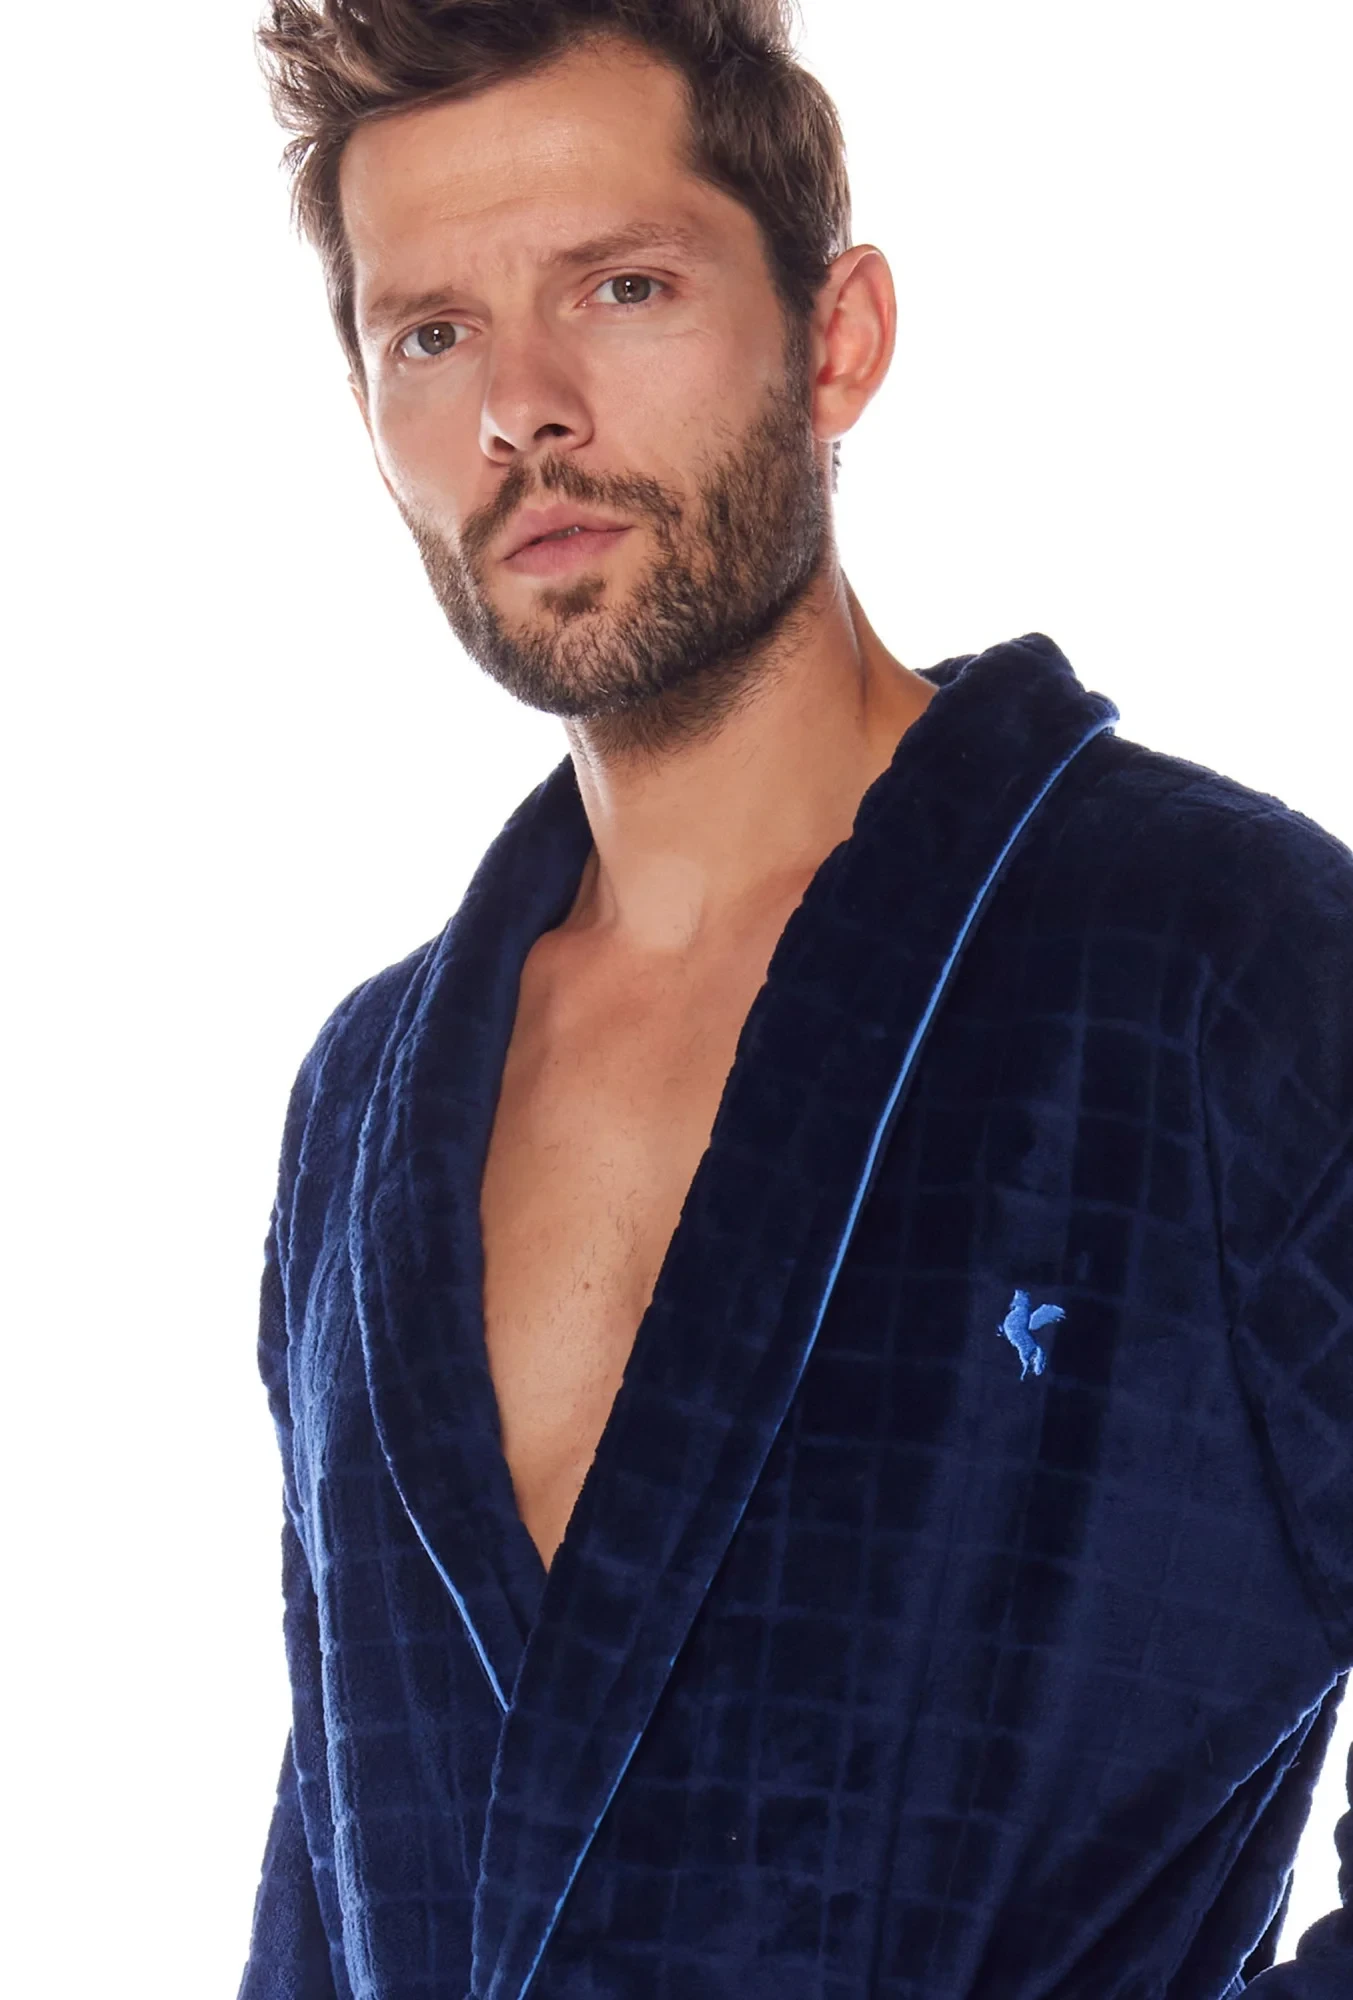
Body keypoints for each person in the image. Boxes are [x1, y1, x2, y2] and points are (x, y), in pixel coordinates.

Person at [238, 4, 1353, 1996]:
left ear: (835, 339)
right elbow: (334, 1889)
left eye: (622, 287)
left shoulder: (1220, 961)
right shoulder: (363, 1108)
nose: (522, 409)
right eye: (433, 334)